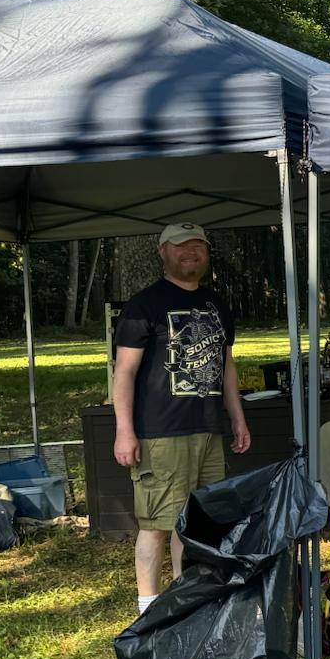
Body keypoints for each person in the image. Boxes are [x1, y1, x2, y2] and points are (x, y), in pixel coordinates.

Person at [112, 223, 251, 616]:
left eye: (197, 246)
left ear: (206, 252)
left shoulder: (216, 304)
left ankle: (185, 598)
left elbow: (226, 366)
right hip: (160, 433)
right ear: (163, 252)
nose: (190, 252)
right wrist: (124, 431)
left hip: (207, 429)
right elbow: (123, 372)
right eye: (180, 246)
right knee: (156, 523)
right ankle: (148, 610)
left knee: (196, 523)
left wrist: (236, 418)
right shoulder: (144, 306)